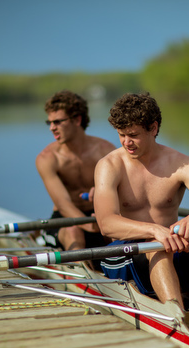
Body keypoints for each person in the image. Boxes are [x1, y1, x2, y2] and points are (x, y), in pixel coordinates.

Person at [93, 93, 189, 315]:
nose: (126, 142)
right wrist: (154, 230)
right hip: (125, 253)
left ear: (153, 128)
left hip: (170, 247)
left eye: (133, 135)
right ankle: (178, 318)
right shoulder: (109, 165)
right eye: (121, 135)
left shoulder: (181, 163)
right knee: (156, 246)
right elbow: (106, 224)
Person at [36, 90, 115, 251]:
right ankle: (81, 272)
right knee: (74, 232)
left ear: (77, 120)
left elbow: (124, 190)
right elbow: (63, 204)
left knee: (118, 232)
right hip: (65, 220)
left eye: (58, 122)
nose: (52, 128)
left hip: (99, 213)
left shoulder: (105, 150)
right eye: (49, 123)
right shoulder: (47, 158)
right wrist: (90, 226)